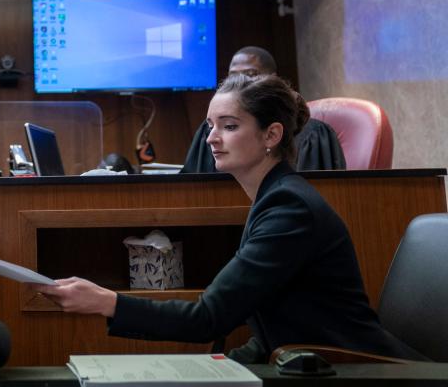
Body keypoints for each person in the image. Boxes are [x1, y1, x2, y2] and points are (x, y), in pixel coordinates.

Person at [33, 74, 423, 364]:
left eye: (229, 126)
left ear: (271, 135)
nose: (212, 138)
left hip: (355, 370)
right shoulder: (275, 197)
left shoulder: (289, 208)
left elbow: (208, 318)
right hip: (302, 361)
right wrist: (226, 364)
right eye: (210, 126)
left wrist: (105, 301)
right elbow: (275, 324)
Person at [180, 46, 346, 173]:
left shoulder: (313, 135)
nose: (240, 82)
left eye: (250, 74)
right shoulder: (212, 130)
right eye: (233, 76)